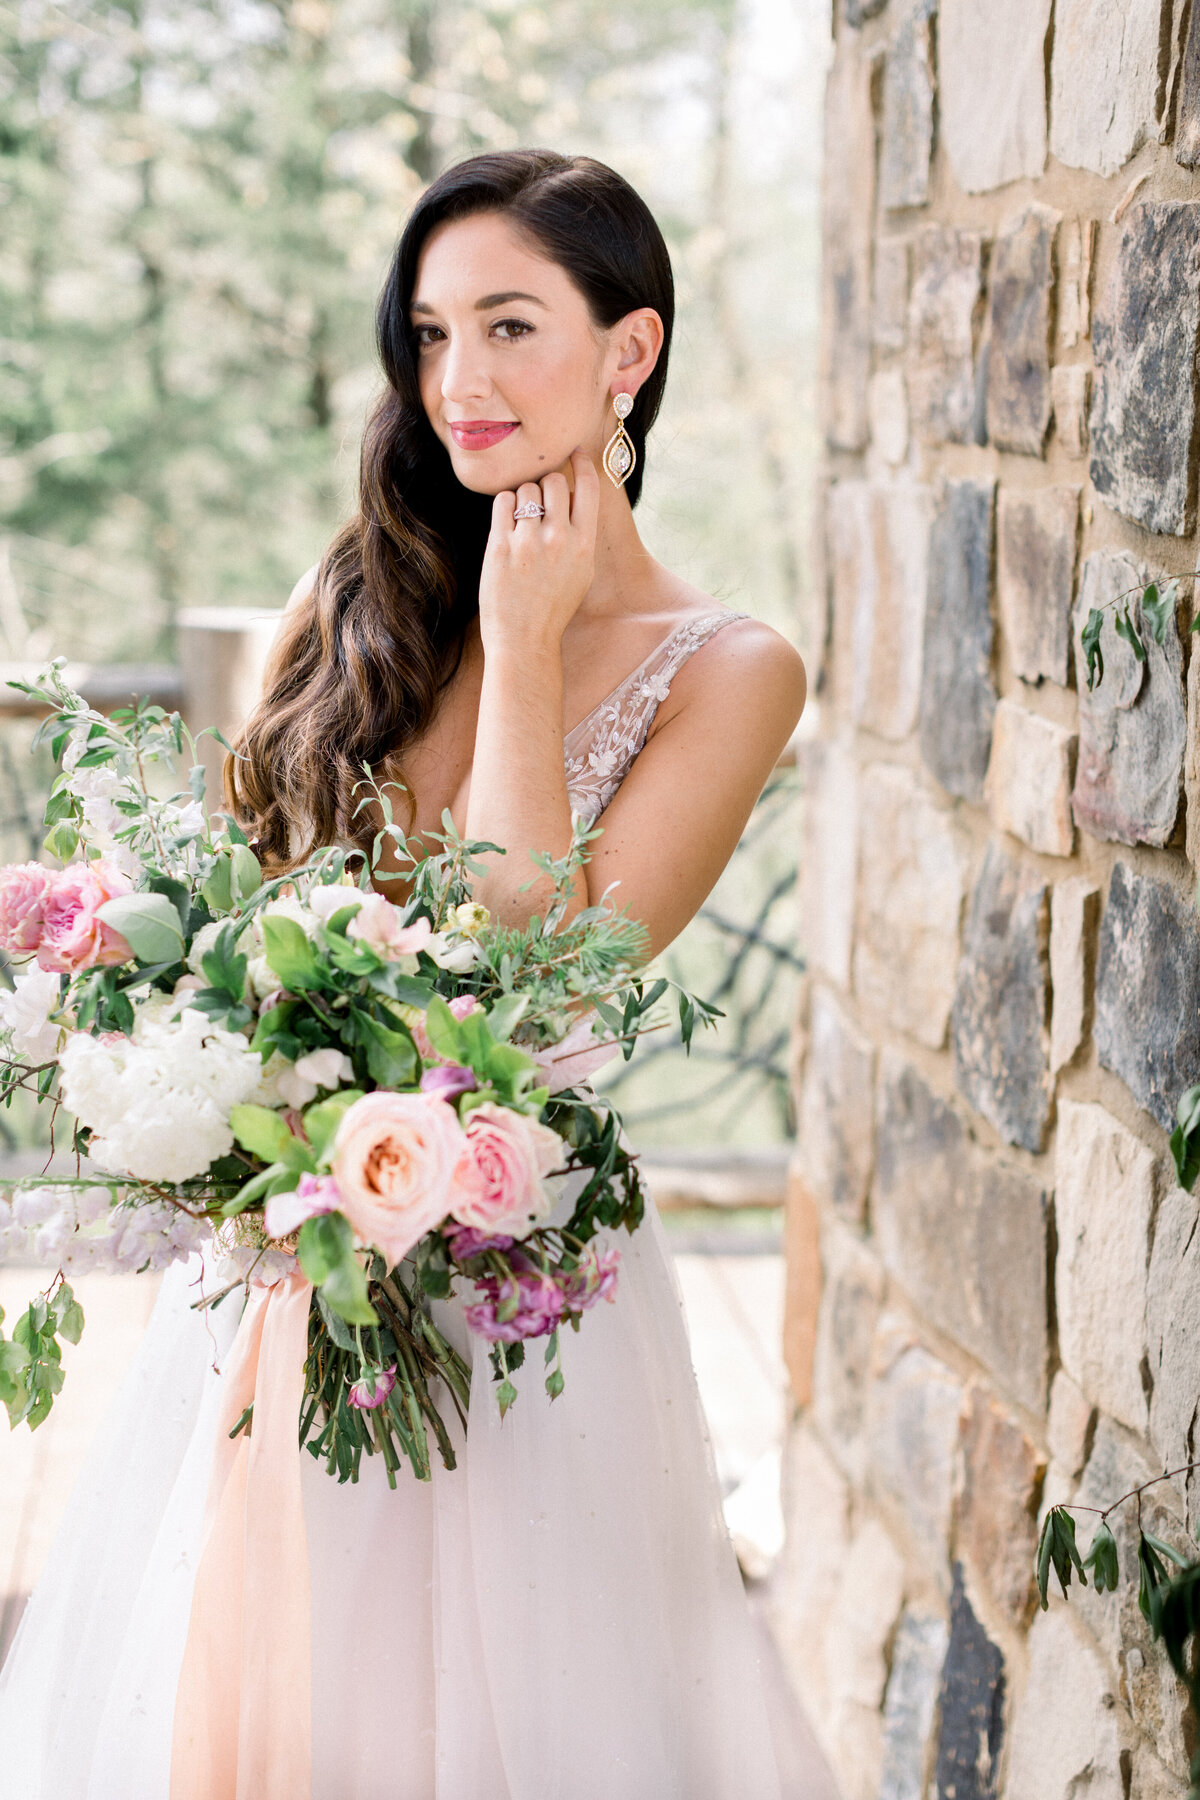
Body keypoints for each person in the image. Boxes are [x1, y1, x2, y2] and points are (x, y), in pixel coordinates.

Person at [0, 149, 805, 1799]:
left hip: (523, 1286)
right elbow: (246, 924)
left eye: (511, 326)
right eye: (433, 335)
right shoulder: (365, 597)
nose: (462, 382)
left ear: (629, 351)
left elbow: (541, 966)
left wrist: (528, 650)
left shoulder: (733, 668)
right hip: (291, 1258)